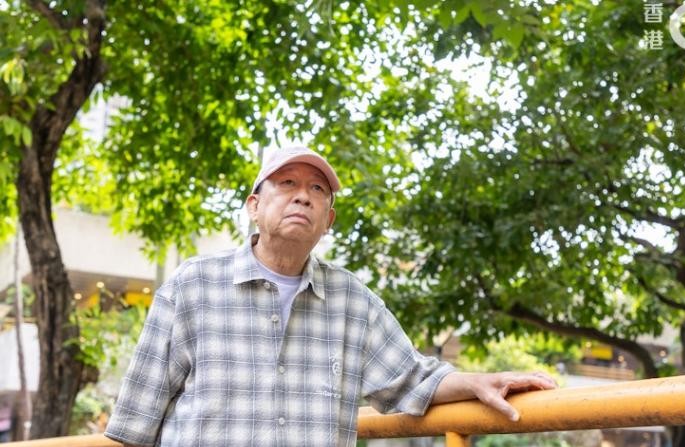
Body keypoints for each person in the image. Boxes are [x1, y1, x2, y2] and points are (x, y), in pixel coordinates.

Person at [104, 146, 556, 447]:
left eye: (317, 189)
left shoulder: (353, 302)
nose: (303, 197)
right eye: (287, 183)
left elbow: (412, 378)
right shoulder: (193, 285)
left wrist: (479, 382)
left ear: (329, 220)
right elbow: (135, 423)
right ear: (254, 206)